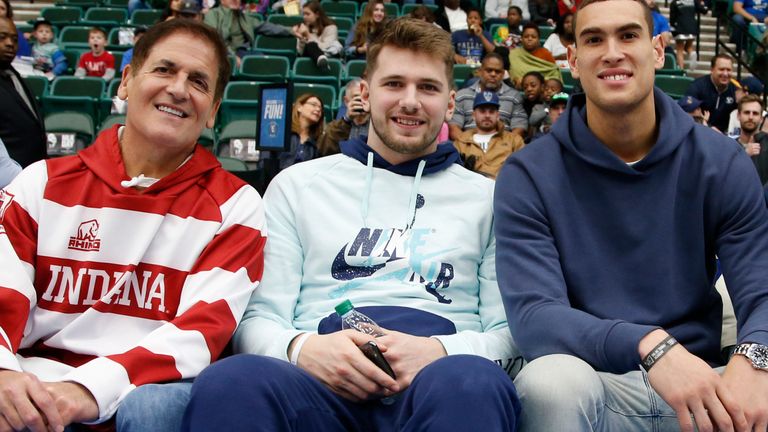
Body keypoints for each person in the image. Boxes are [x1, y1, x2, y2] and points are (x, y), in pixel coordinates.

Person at [181, 17, 522, 432]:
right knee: (231, 382)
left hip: (440, 381)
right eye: (394, 84)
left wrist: (441, 352)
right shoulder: (297, 185)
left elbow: (509, 332)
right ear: (365, 92)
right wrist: (302, 348)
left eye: (428, 88)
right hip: (317, 381)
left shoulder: (489, 198)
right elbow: (260, 319)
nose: (410, 101)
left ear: (451, 104)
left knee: (473, 383)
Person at [495, 0, 768, 430]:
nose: (612, 52)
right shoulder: (528, 173)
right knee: (548, 383)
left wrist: (756, 356)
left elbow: (761, 288)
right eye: (593, 39)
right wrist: (648, 344)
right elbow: (535, 317)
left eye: (628, 35)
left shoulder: (720, 160)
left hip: (707, 382)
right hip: (596, 382)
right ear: (573, 60)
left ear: (658, 51)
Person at [0, 19, 266, 432]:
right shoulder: (41, 182)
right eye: (164, 70)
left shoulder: (235, 206)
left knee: (151, 411)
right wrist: (4, 377)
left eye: (198, 81)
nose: (178, 89)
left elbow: (197, 335)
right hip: (30, 388)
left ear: (214, 111)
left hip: (143, 395)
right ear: (125, 81)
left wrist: (86, 390)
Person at [0, 17, 46, 168]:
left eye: (14, 39)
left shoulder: (12, 73)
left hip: (29, 173)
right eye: (2, 37)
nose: (9, 44)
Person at [450, 52, 528, 139]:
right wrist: (469, 146)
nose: (493, 74)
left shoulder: (514, 97)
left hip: (503, 148)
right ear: (479, 71)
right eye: (489, 70)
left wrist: (504, 146)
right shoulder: (462, 95)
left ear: (503, 74)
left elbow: (519, 128)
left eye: (497, 71)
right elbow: (454, 128)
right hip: (468, 147)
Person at [454, 91, 526, 178]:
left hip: (503, 188)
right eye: (482, 111)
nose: (487, 115)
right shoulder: (461, 141)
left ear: (498, 115)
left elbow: (524, 170)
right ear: (473, 115)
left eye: (491, 111)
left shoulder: (514, 140)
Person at [204, 0, 294, 62]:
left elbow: (266, 27)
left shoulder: (244, 17)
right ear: (222, 1)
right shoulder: (213, 14)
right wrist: (232, 57)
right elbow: (214, 37)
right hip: (222, 53)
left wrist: (291, 30)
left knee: (264, 60)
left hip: (242, 52)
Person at [685, 54, 738, 132]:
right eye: (721, 69)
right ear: (712, 69)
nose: (725, 74)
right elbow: (687, 114)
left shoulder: (736, 91)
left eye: (728, 70)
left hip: (725, 136)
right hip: (700, 131)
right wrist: (708, 128)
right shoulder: (698, 86)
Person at [317, 79, 369, 156]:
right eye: (357, 97)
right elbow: (325, 151)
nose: (361, 101)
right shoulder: (336, 127)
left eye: (365, 97)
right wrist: (346, 120)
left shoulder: (378, 124)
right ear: (346, 101)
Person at [280, 93, 324, 169]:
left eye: (320, 108)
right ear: (299, 107)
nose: (318, 109)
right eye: (313, 105)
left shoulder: (318, 141)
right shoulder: (282, 133)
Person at [293, 1, 342, 68]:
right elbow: (301, 52)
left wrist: (308, 35)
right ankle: (320, 58)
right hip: (308, 62)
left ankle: (321, 60)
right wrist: (301, 38)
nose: (304, 17)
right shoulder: (303, 28)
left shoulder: (331, 28)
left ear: (317, 14)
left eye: (307, 14)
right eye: (303, 14)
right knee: (310, 45)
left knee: (311, 44)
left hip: (328, 59)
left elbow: (325, 48)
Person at [735, 94, 768, 184]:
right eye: (746, 112)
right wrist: (744, 155)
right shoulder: (729, 146)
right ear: (738, 115)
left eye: (755, 113)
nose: (750, 117)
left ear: (761, 119)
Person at [669, 0, 707, 70]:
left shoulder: (674, 3)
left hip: (680, 27)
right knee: (688, 46)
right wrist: (703, 5)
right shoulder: (693, 1)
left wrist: (672, 27)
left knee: (679, 49)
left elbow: (672, 18)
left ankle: (681, 69)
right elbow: (704, 11)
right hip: (692, 28)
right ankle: (692, 53)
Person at [521, 71, 548, 138]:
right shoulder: (522, 104)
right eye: (525, 87)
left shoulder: (548, 103)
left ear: (542, 86)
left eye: (533, 85)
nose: (529, 89)